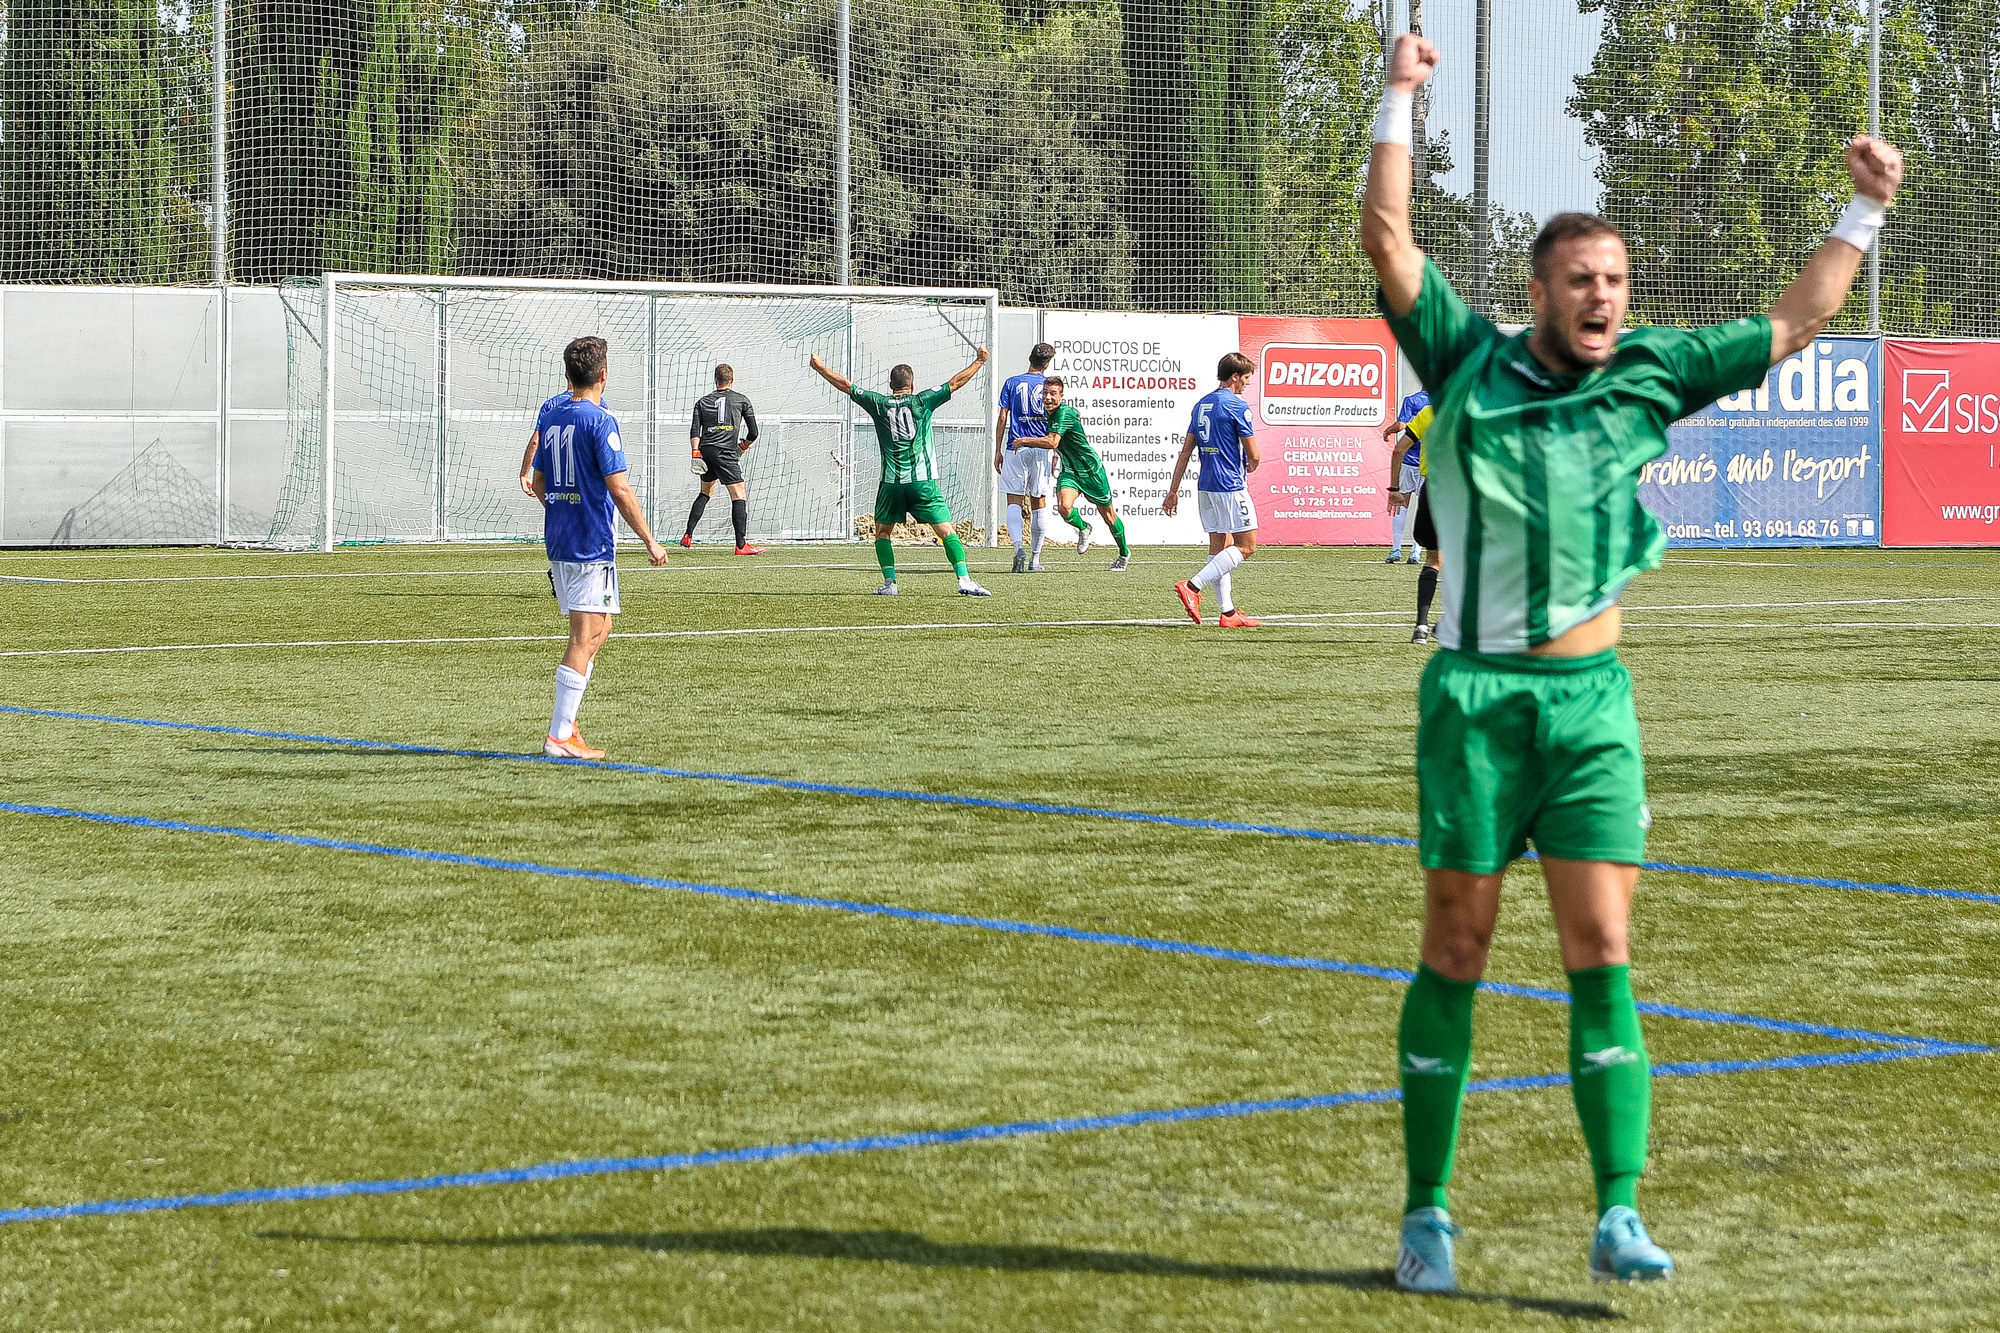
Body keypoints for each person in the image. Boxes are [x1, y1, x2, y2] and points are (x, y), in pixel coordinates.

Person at [1362, 31, 1903, 1293]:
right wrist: (1396, 94)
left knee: (1600, 951)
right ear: (1537, 291)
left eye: (1613, 278)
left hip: (1592, 706)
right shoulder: (1465, 360)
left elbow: (1796, 314)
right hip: (1476, 702)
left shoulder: (1653, 373)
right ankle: (1426, 1213)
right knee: (1455, 946)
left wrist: (1862, 204)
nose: (1601, 296)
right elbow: (1386, 238)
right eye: (1578, 280)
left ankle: (1616, 1211)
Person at [527, 336, 670, 760]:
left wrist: (560, 505)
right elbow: (621, 489)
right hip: (589, 541)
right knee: (583, 634)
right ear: (603, 375)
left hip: (562, 537)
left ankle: (567, 721)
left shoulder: (552, 417)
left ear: (569, 375)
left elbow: (537, 483)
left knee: (601, 628)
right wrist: (650, 540)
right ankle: (559, 734)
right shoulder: (601, 420)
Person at [808, 348, 993, 597]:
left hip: (891, 484)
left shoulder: (879, 403)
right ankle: (964, 579)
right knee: (946, 531)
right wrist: (980, 361)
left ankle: (890, 583)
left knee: (883, 532)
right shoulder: (923, 400)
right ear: (912, 384)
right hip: (922, 482)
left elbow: (846, 385)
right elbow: (954, 383)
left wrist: (821, 368)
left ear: (890, 384)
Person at [1164, 353, 1261, 628]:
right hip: (1229, 485)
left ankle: (1227, 613)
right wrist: (1252, 463)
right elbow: (1253, 453)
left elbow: (1186, 450)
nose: (1246, 384)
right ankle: (1193, 586)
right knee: (1247, 545)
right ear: (1234, 377)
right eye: (1246, 379)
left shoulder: (1201, 404)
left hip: (1205, 485)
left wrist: (1173, 490)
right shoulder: (1236, 406)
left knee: (1220, 546)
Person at [1015, 377, 1130, 570]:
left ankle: (1124, 554)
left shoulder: (1064, 413)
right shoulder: (1053, 412)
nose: (1048, 397)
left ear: (1061, 396)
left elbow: (1052, 442)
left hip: (1091, 471)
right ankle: (1084, 528)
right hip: (1070, 471)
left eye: (1053, 393)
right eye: (1045, 393)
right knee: (1064, 507)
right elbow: (1072, 419)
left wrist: (1024, 440)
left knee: (1109, 517)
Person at [681, 363, 763, 555]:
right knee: (739, 494)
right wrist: (742, 446)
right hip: (726, 451)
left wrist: (695, 452)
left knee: (705, 493)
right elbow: (754, 432)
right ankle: (741, 545)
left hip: (705, 450)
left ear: (715, 381)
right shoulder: (742, 400)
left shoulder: (701, 402)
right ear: (732, 381)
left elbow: (695, 431)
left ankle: (688, 535)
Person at [995, 342, 1057, 572]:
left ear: (1029, 358)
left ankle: (1018, 547)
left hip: (1016, 447)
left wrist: (998, 450)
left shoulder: (1012, 382)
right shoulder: (1050, 387)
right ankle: (1035, 559)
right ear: (1047, 364)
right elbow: (1057, 420)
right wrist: (1056, 451)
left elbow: (1003, 417)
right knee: (1039, 501)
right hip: (1041, 448)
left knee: (1014, 500)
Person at [1382, 389, 1429, 563]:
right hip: (1427, 463)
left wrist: (1388, 430)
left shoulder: (1413, 400)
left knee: (1401, 503)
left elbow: (1401, 425)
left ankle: (1396, 549)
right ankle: (1416, 551)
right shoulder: (1442, 400)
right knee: (1424, 507)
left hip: (1409, 459)